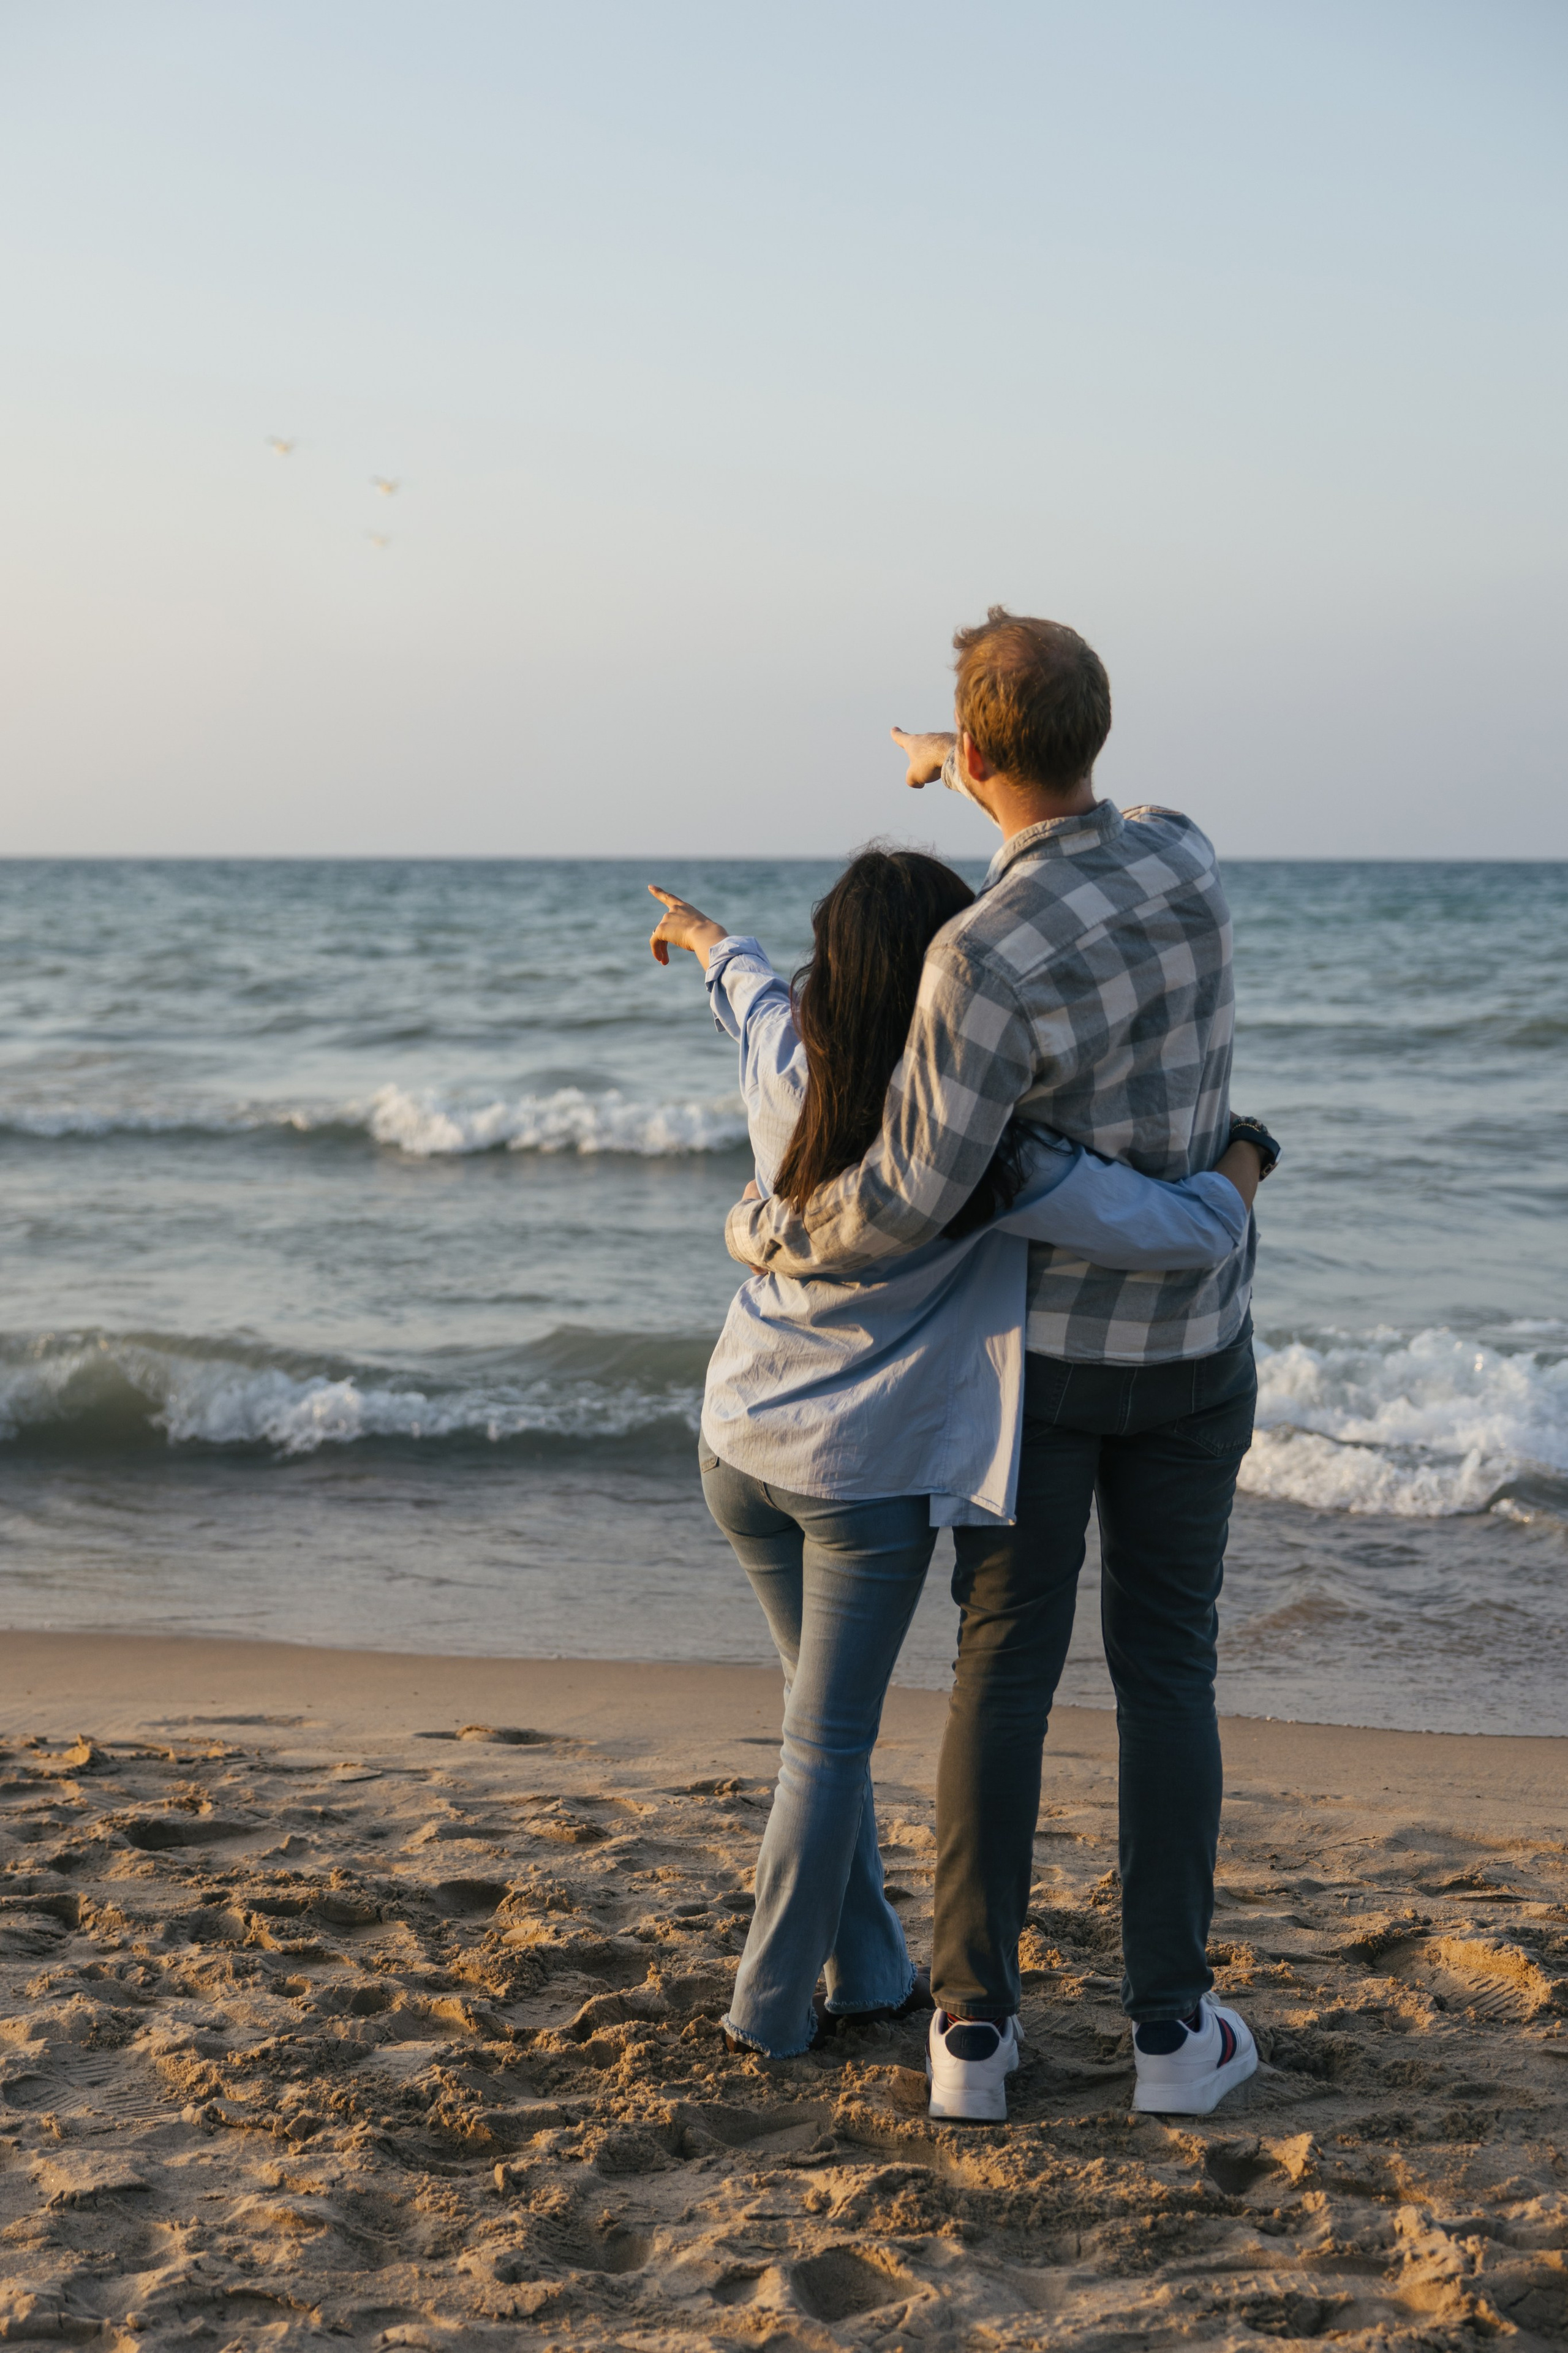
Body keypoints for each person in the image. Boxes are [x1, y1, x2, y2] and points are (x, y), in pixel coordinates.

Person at [725, 611, 1277, 2123]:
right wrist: (953, 754)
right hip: (1193, 1351)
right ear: (1098, 737)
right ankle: (1172, 2032)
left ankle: (972, 2034)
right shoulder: (1186, 853)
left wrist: (773, 1231)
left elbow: (905, 1195)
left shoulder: (975, 953)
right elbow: (1068, 795)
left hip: (1036, 1371)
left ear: (969, 761)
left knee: (1005, 1672)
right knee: (1171, 1673)